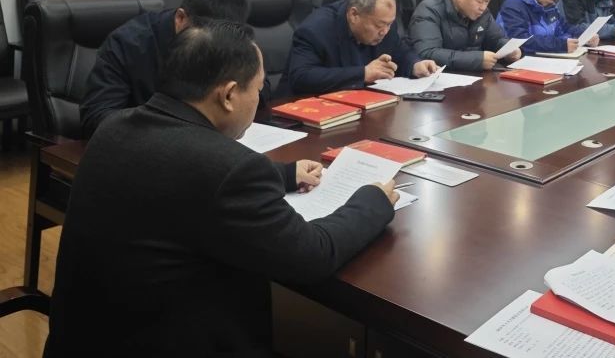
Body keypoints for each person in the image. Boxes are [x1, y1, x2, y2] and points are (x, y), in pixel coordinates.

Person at [45, 21, 398, 357]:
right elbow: (312, 255)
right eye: (257, 89)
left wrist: (285, 175)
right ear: (228, 95)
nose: (259, 100)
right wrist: (372, 201)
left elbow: (178, 180)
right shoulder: (227, 169)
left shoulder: (114, 127)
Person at [80, 0, 253, 138]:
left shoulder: (230, 39)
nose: (211, 45)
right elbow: (97, 118)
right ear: (181, 18)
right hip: (142, 145)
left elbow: (258, 86)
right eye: (204, 36)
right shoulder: (128, 43)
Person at [282, 0, 437, 96]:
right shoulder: (316, 29)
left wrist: (415, 64)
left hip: (361, 105)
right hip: (306, 112)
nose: (385, 31)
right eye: (379, 25)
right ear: (354, 15)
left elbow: (400, 49)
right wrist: (362, 73)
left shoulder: (384, 22)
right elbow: (302, 77)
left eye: (389, 24)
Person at [408, 0, 521, 70]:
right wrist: (477, 60)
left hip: (475, 76)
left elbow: (496, 39)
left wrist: (509, 49)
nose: (483, 7)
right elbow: (427, 53)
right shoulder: (429, 10)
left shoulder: (482, 13)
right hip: (444, 77)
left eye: (487, 1)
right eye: (480, 1)